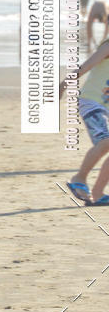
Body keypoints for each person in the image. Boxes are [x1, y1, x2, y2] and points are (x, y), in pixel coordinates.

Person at [61, 40, 109, 205]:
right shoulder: (108, 46)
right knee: (105, 141)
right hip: (92, 102)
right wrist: (63, 86)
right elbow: (85, 67)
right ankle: (79, 178)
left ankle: (98, 193)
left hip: (107, 107)